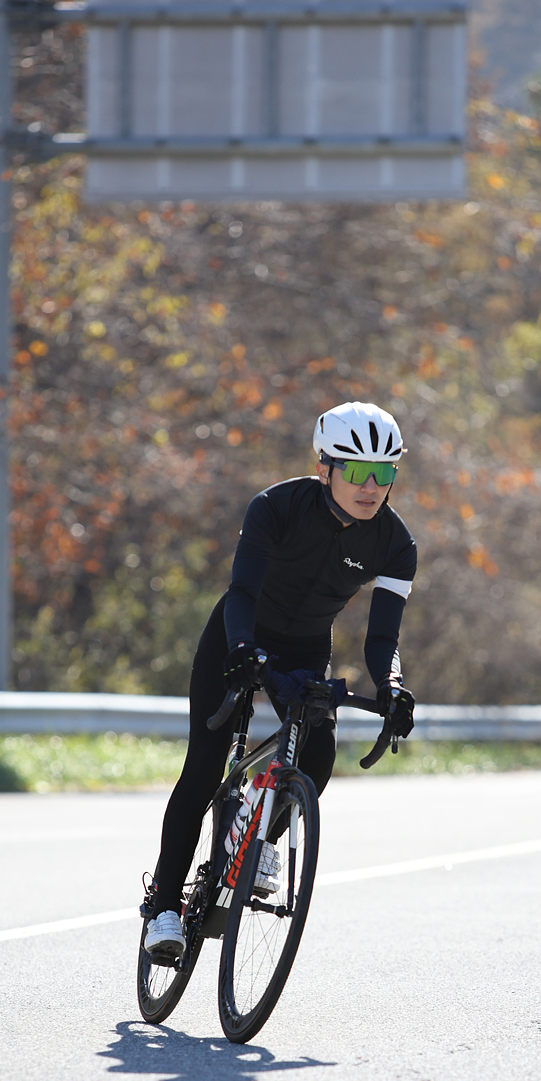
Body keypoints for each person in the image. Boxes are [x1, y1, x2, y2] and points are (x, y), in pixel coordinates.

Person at [143, 401, 419, 956]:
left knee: (317, 758)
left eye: (383, 472)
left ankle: (254, 844)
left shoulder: (396, 544)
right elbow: (243, 590)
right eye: (357, 471)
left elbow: (382, 639)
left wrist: (391, 685)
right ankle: (164, 909)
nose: (371, 487)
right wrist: (243, 650)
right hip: (238, 634)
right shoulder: (276, 506)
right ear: (325, 469)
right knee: (204, 767)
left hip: (307, 646)